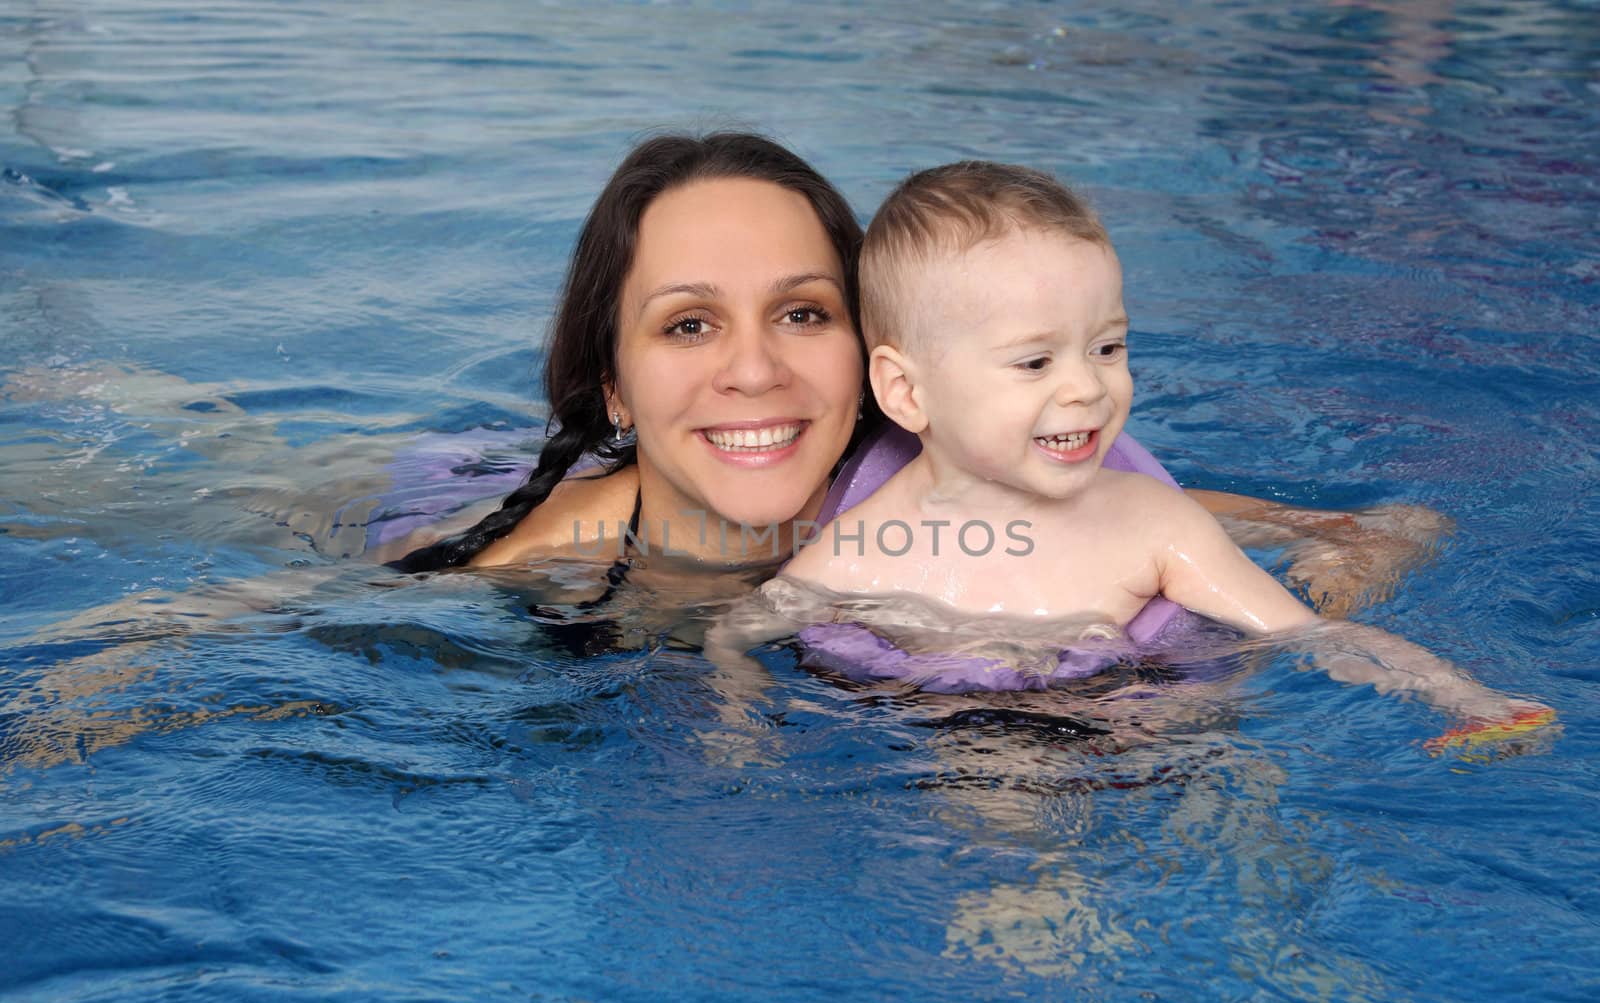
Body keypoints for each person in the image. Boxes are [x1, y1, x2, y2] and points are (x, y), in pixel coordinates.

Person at [388, 132, 1444, 627]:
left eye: (803, 313)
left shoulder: (946, 476)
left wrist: (1356, 541)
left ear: (886, 368)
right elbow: (293, 616)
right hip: (445, 482)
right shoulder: (534, 555)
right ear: (612, 387)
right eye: (689, 324)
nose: (754, 369)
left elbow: (1333, 524)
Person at [718, 160, 1548, 723]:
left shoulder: (1153, 524)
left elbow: (1308, 636)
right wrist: (736, 723)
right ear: (907, 391)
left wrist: (1463, 697)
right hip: (964, 741)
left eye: (1108, 347)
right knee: (1002, 799)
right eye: (1035, 360)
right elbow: (736, 633)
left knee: (1246, 809)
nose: (1087, 385)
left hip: (1156, 727)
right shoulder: (866, 547)